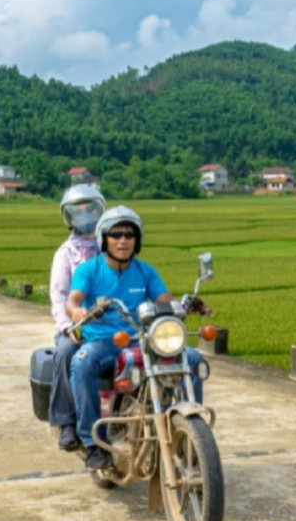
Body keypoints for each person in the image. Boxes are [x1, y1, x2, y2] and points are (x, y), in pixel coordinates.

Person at [66, 205, 207, 470]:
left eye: (129, 235)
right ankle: (91, 442)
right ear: (103, 239)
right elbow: (72, 301)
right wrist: (78, 312)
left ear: (137, 240)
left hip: (140, 339)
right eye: (116, 234)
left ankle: (192, 430)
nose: (123, 240)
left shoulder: (145, 271)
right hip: (103, 342)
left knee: (193, 358)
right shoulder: (89, 270)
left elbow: (165, 301)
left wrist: (186, 306)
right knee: (81, 362)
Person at [47, 184, 105, 451]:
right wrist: (67, 326)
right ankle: (66, 421)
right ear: (68, 216)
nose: (84, 216)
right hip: (77, 325)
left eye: (89, 209)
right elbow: (59, 296)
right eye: (77, 211)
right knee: (66, 351)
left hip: (110, 323)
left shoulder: (112, 246)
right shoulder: (66, 253)